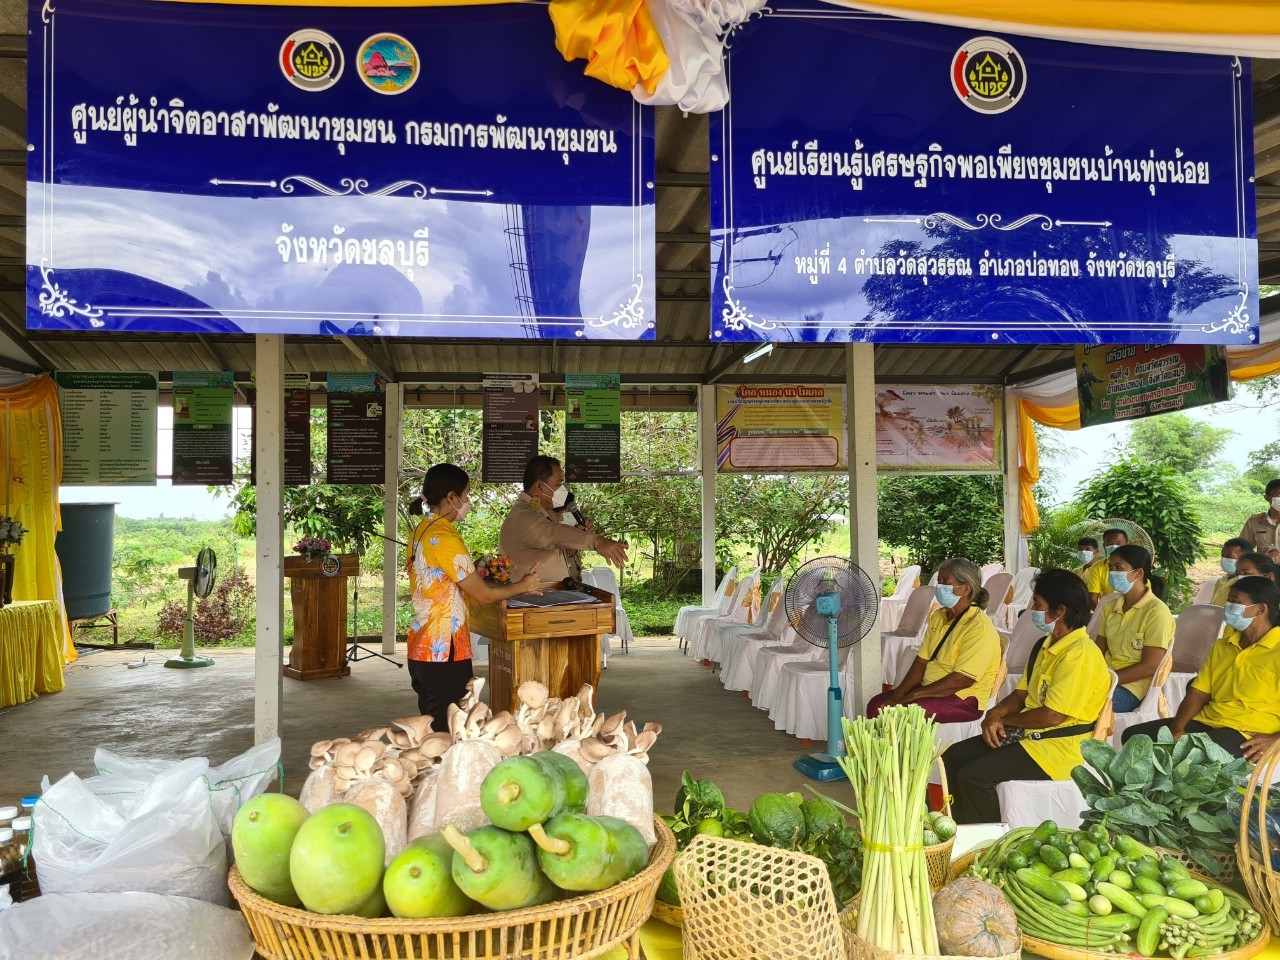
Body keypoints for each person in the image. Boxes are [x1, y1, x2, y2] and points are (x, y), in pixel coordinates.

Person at [942, 568, 1111, 823]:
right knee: (952, 758)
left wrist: (1005, 721)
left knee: (974, 776)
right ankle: (961, 829)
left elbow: (1052, 716)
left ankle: (988, 843)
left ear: (1060, 610)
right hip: (1031, 735)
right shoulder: (1046, 644)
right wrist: (995, 713)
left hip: (1058, 748)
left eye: (1038, 603)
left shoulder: (1080, 655)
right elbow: (1021, 694)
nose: (1032, 608)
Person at [406, 463, 542, 730]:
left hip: (422, 648)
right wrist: (524, 585)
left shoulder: (421, 531)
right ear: (451, 498)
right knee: (451, 733)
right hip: (445, 650)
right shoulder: (444, 537)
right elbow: (483, 594)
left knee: (435, 729)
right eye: (466, 495)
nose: (467, 502)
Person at [1122, 576, 1280, 761]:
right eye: (1228, 601)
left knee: (1190, 756)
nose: (1228, 607)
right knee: (1135, 738)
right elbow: (1198, 693)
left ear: (1261, 609)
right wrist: (1178, 727)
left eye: (1235, 602)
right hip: (1208, 721)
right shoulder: (1223, 646)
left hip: (1249, 733)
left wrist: (1275, 740)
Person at [867, 558, 1001, 722]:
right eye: (939, 581)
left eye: (945, 582)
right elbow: (921, 662)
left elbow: (961, 681)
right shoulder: (939, 616)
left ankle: (907, 748)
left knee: (900, 714)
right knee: (876, 705)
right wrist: (899, 694)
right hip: (930, 688)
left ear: (966, 589)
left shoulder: (979, 627)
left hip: (964, 698)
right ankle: (889, 748)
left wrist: (914, 694)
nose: (940, 587)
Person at [500, 455, 628, 584]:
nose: (563, 490)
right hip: (529, 600)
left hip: (549, 597)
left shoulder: (545, 513)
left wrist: (578, 533)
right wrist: (596, 541)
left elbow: (557, 549)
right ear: (540, 486)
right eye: (558, 484)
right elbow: (553, 533)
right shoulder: (522, 516)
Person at [1096, 544, 1174, 712]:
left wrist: (1108, 680)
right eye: (1111, 567)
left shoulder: (1156, 612)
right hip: (1103, 678)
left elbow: (1150, 666)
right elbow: (1097, 650)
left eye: (1119, 567)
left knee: (1077, 703)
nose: (1113, 572)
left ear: (1139, 573)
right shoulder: (1110, 607)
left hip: (1133, 689)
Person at [1086, 528, 1129, 609]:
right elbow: (1093, 598)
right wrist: (1102, 616)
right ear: (1103, 545)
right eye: (1109, 544)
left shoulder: (1137, 566)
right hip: (1107, 611)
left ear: (1127, 545)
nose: (1114, 546)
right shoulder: (1097, 567)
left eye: (1118, 543)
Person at [1239, 479, 1280, 558]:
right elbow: (1242, 550)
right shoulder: (1254, 522)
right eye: (1279, 494)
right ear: (1267, 498)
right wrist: (1259, 556)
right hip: (1264, 569)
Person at [1210, 538, 1253, 605]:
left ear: (1245, 559)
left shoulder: (1245, 584)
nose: (1224, 559)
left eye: (1229, 557)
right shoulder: (1221, 581)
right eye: (1222, 556)